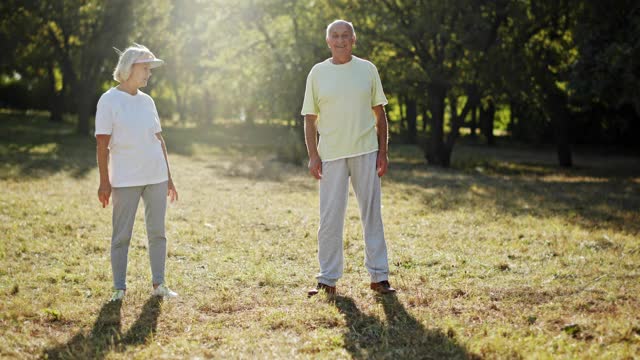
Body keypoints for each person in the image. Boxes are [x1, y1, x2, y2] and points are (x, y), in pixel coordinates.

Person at [301, 20, 396, 296]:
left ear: (353, 40)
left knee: (371, 215)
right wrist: (313, 155)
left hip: (366, 152)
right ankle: (327, 280)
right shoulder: (317, 73)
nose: (340, 40)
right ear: (328, 41)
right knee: (330, 218)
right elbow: (309, 119)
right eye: (335, 36)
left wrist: (383, 151)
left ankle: (379, 277)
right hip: (330, 155)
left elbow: (380, 115)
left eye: (345, 36)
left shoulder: (368, 69)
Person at [95, 44, 178, 302]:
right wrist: (104, 182)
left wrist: (169, 177)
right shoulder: (108, 100)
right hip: (125, 179)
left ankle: (159, 284)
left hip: (155, 176)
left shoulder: (148, 101)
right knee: (122, 236)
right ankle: (119, 289)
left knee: (158, 233)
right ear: (130, 68)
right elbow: (102, 144)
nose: (149, 74)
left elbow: (159, 139)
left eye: (150, 69)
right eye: (145, 68)